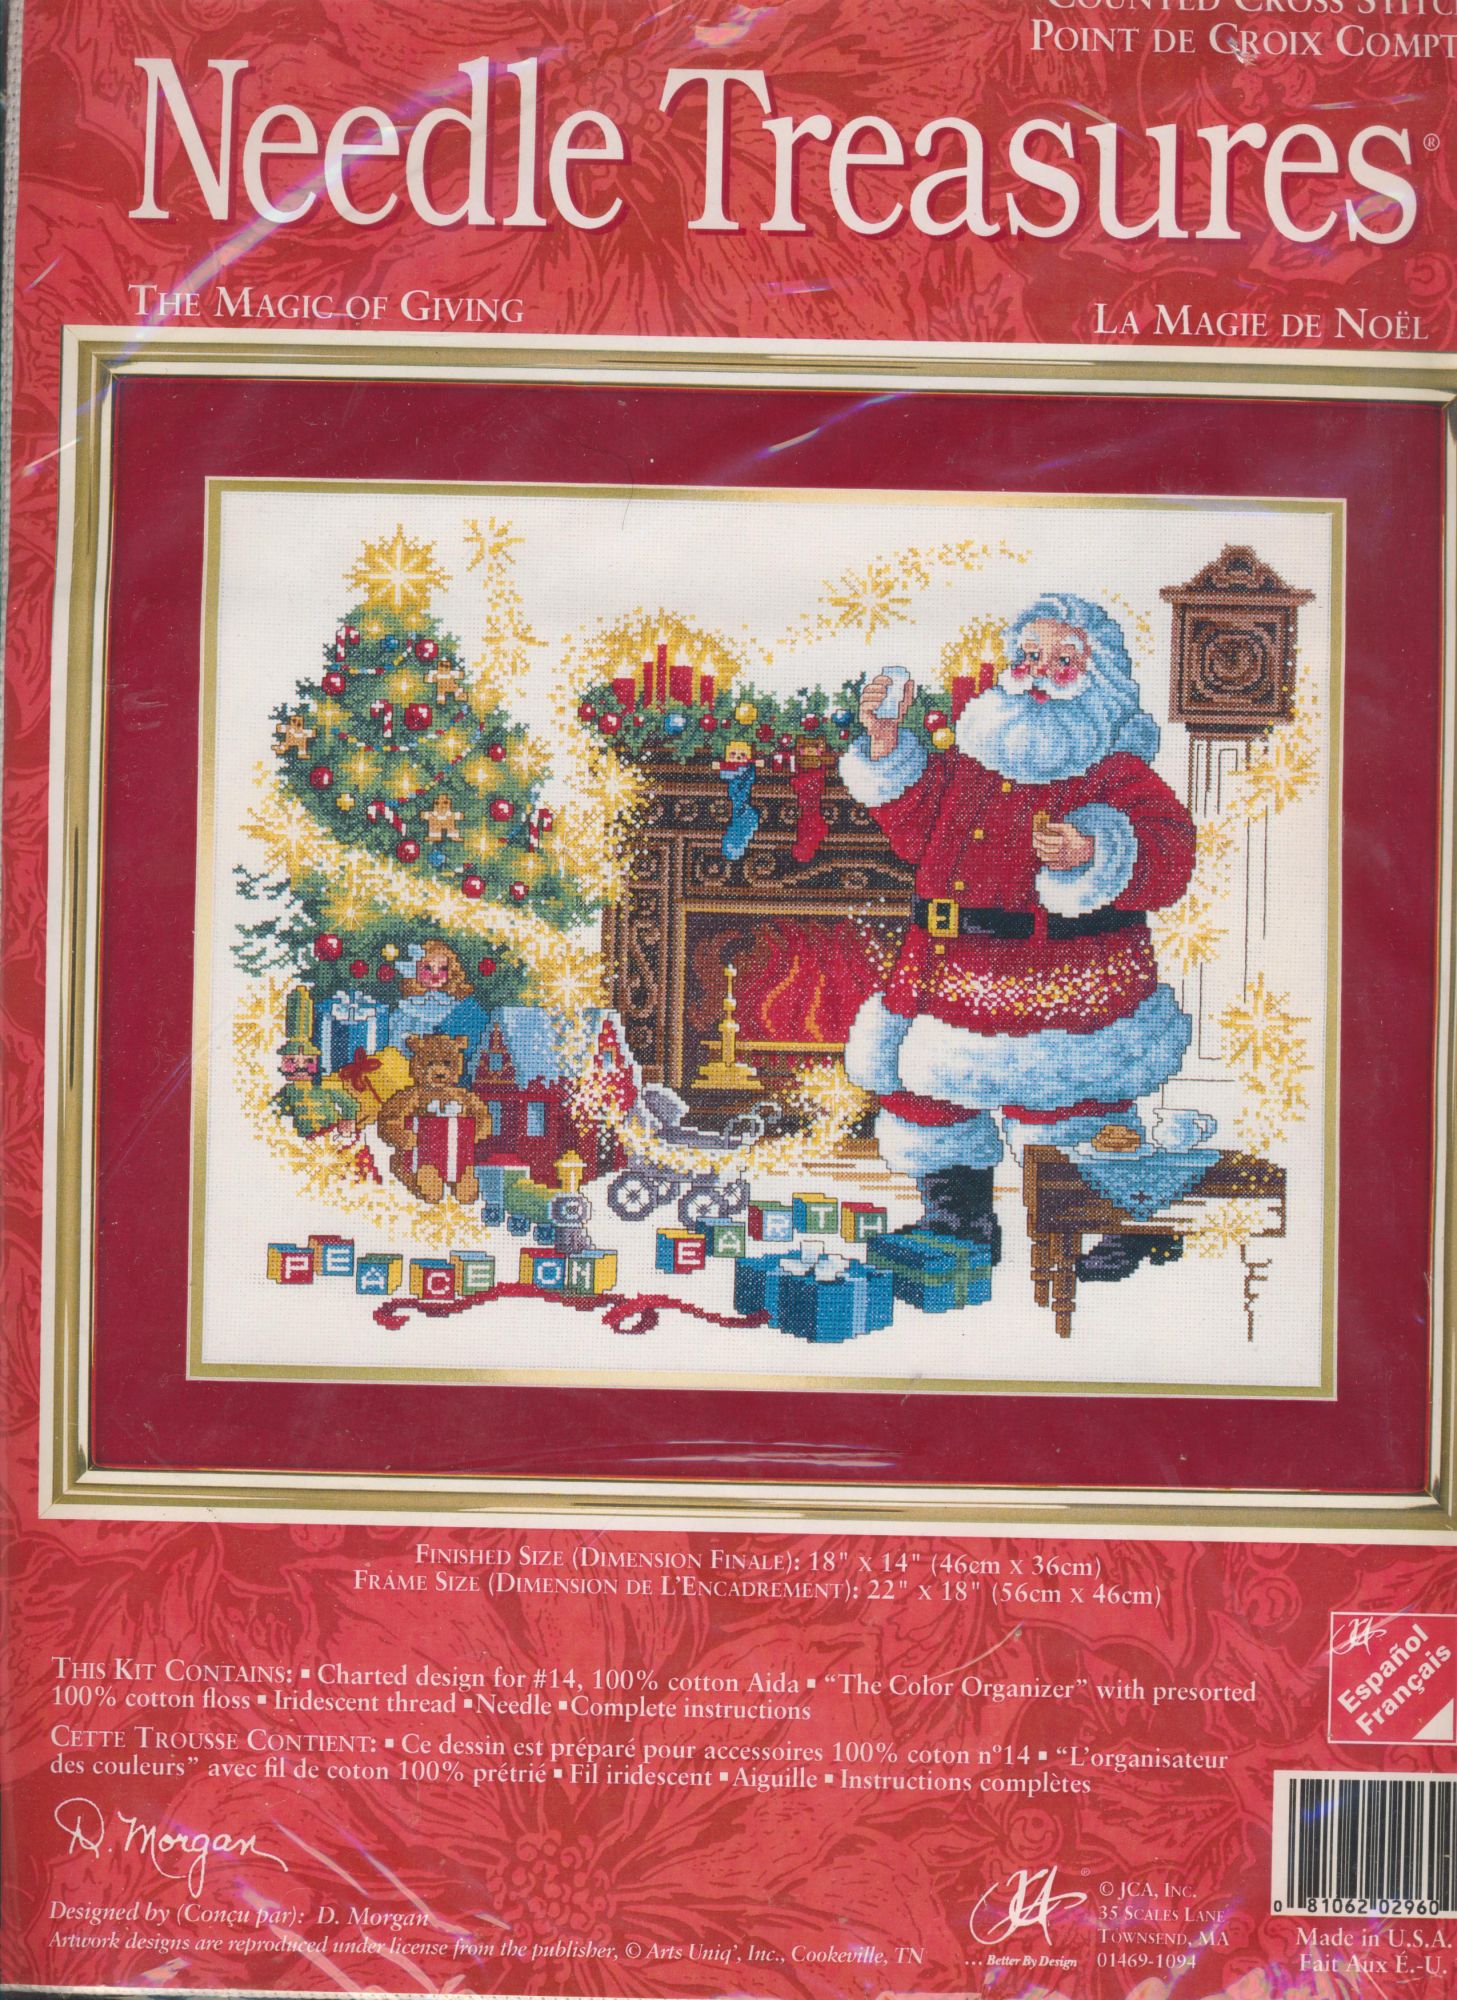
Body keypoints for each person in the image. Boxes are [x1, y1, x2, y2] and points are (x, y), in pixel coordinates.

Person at [840, 593, 1197, 1283]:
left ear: (1099, 678)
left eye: (1062, 661)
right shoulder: (975, 762)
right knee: (927, 1099)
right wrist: (885, 745)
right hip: (945, 968)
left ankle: (1116, 1219)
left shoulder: (1114, 770)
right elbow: (917, 831)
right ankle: (958, 1223)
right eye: (1028, 656)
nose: (1037, 673)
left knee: (1068, 1101)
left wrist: (1096, 849)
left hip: (1061, 974)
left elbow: (1171, 855)